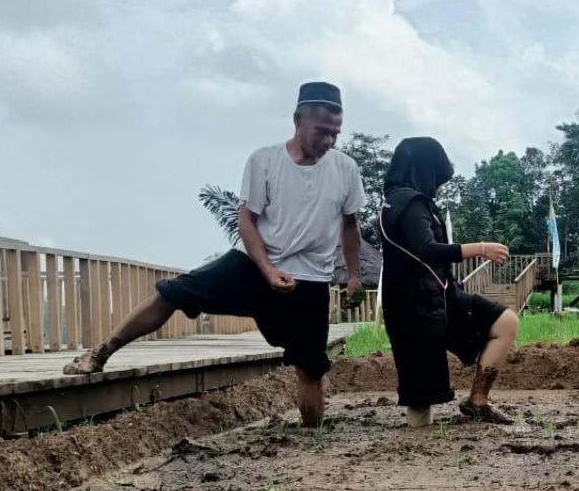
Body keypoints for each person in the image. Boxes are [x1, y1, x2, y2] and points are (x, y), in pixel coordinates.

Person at [62, 81, 365, 428]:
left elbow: (350, 225)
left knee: (310, 369)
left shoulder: (345, 169)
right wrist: (267, 269)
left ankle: (313, 436)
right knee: (171, 293)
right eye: (322, 131)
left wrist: (354, 275)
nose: (329, 141)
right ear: (298, 120)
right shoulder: (265, 161)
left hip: (309, 280)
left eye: (335, 133)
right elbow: (247, 219)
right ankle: (102, 351)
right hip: (252, 265)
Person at [379, 137, 520, 427]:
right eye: (439, 178)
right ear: (425, 170)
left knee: (505, 322)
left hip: (442, 296)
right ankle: (417, 444)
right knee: (422, 398)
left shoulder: (411, 202)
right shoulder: (408, 204)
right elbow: (427, 249)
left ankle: (477, 402)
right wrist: (480, 248)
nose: (440, 186)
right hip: (414, 307)